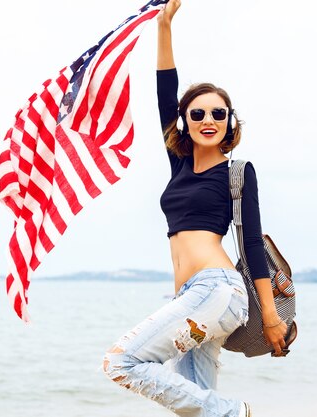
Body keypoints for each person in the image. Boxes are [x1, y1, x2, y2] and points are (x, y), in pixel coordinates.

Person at [102, 1, 287, 416]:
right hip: (189, 294)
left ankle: (232, 412)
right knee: (192, 404)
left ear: (229, 121)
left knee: (121, 362)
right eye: (197, 113)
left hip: (218, 290)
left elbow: (252, 244)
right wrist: (164, 26)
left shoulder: (238, 171)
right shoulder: (179, 164)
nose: (208, 119)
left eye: (218, 113)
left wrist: (272, 317)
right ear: (184, 121)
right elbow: (165, 93)